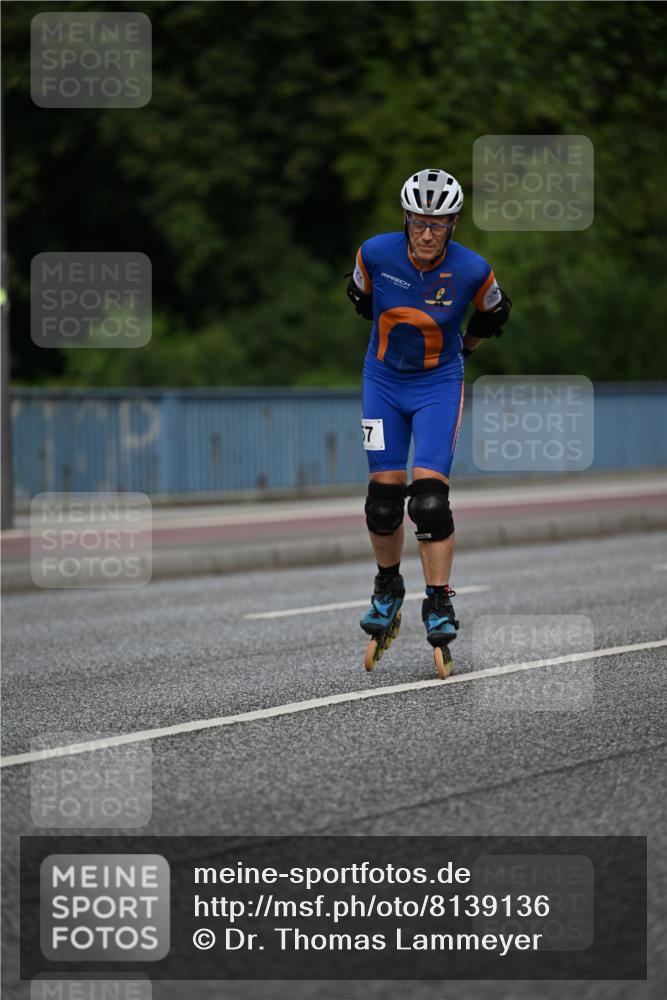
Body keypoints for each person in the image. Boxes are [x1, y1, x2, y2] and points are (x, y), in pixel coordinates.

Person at [346, 167, 511, 663]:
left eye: (437, 224)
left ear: (454, 225)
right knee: (382, 502)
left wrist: (466, 350)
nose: (425, 233)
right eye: (418, 221)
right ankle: (387, 587)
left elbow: (495, 314)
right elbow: (360, 301)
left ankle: (438, 602)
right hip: (382, 381)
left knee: (430, 503)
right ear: (405, 217)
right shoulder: (374, 253)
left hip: (438, 384)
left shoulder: (472, 270)